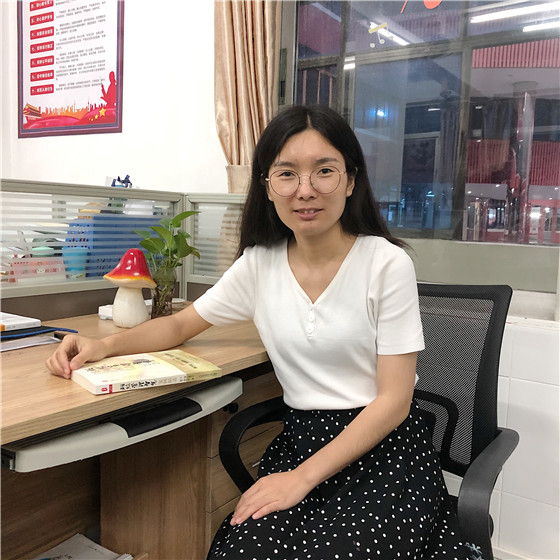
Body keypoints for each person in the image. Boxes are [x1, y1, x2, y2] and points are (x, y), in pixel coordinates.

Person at [47, 105, 484, 560]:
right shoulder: (259, 264)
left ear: (351, 181)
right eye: (287, 174)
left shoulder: (386, 263)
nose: (305, 190)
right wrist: (104, 345)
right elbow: (179, 324)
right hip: (302, 440)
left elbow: (394, 402)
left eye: (324, 171)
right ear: (268, 186)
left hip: (382, 448)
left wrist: (301, 479)